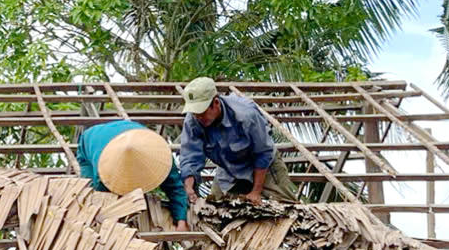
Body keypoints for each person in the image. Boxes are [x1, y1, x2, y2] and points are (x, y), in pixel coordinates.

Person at [178, 77, 298, 206]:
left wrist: (256, 191)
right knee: (213, 208)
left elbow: (263, 153)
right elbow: (190, 157)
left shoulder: (246, 115)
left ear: (216, 103)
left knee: (288, 208)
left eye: (202, 113)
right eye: (195, 113)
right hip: (229, 169)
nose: (198, 117)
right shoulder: (193, 121)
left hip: (265, 168)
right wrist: (188, 187)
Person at [75, 121, 190, 231]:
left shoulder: (161, 156)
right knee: (94, 199)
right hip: (93, 140)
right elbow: (104, 197)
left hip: (133, 134)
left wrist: (181, 221)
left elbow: (175, 187)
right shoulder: (103, 172)